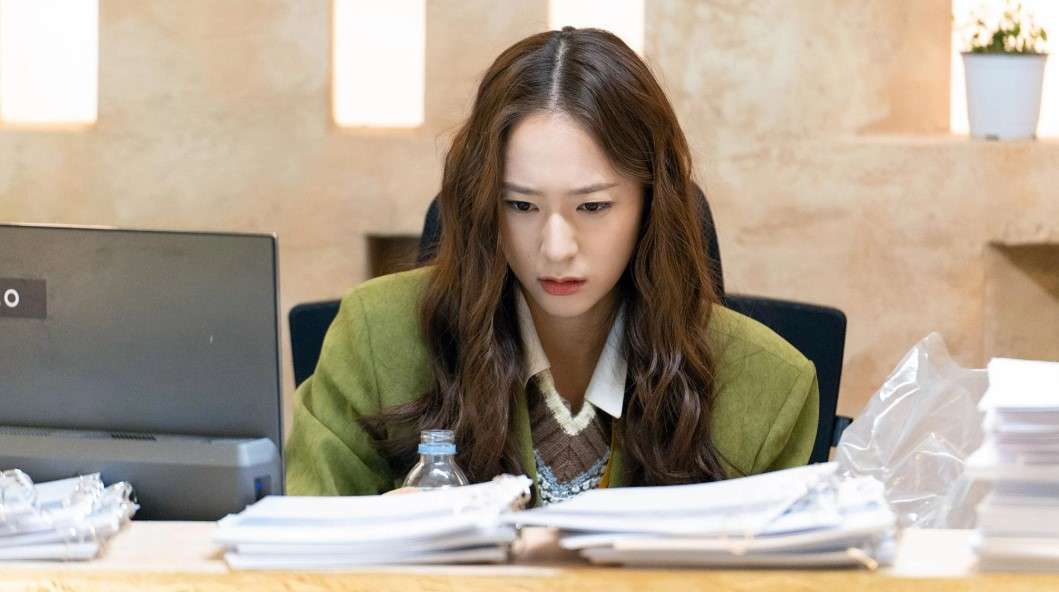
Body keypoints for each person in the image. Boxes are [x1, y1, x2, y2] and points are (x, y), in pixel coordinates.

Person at [284, 27, 818, 503]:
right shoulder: (377, 336)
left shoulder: (768, 385)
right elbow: (301, 556)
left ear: (652, 205)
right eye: (521, 206)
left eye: (592, 207)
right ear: (482, 205)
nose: (557, 247)